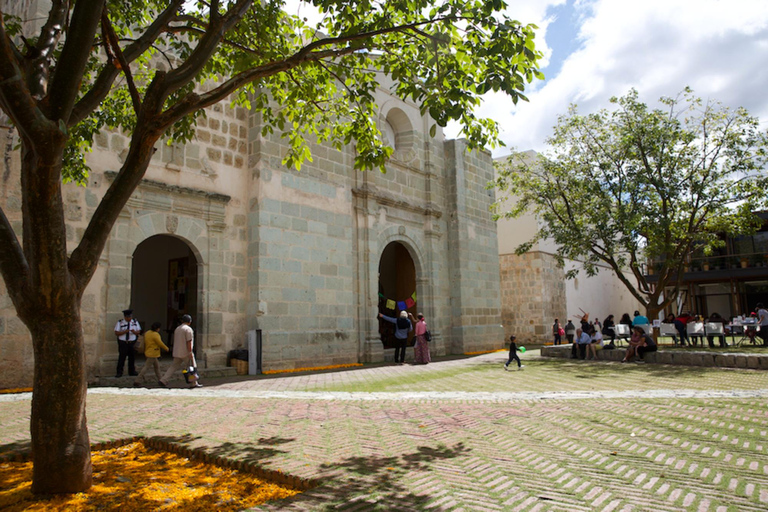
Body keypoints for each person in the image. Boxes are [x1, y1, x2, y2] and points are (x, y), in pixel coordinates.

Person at [159, 314, 202, 388]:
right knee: (192, 367)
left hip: (177, 351)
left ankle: (163, 380)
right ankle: (193, 383)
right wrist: (190, 352)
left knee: (173, 367)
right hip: (185, 352)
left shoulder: (177, 328)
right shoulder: (188, 329)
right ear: (190, 322)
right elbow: (189, 341)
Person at [133, 322, 169, 387]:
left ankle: (161, 380)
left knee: (157, 367)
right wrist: (166, 348)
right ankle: (137, 380)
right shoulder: (156, 335)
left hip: (148, 352)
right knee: (146, 367)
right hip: (153, 353)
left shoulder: (147, 333)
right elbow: (160, 343)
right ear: (157, 329)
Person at [114, 309, 141, 378]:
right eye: (128, 317)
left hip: (132, 342)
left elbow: (138, 332)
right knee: (122, 358)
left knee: (132, 357)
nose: (129, 318)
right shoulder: (120, 322)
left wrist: (134, 331)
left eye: (130, 317)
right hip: (123, 342)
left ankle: (132, 371)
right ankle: (119, 372)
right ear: (125, 317)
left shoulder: (134, 322)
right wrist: (124, 332)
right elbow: (116, 332)